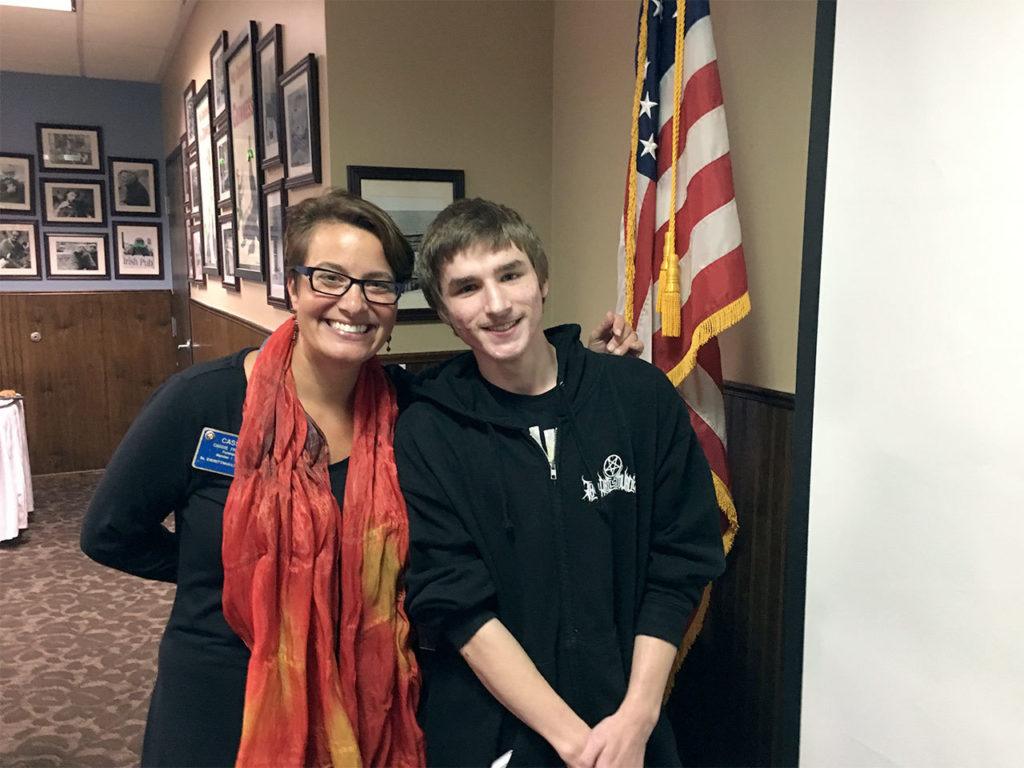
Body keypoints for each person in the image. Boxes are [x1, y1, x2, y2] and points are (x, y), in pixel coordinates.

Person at [81, 189, 642, 768]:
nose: (354, 304)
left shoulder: (407, 407)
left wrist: (589, 373)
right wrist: (240, 571)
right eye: (330, 278)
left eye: (377, 285)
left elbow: (503, 387)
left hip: (371, 696)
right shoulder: (205, 401)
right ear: (294, 288)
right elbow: (108, 533)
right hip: (225, 694)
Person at [395, 198, 727, 767]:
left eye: (510, 274)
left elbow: (679, 563)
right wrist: (578, 747)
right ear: (445, 312)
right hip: (497, 731)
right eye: (467, 287)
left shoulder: (637, 398)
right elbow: (456, 601)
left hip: (628, 722)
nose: (497, 304)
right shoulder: (430, 428)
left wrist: (636, 719)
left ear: (542, 280)